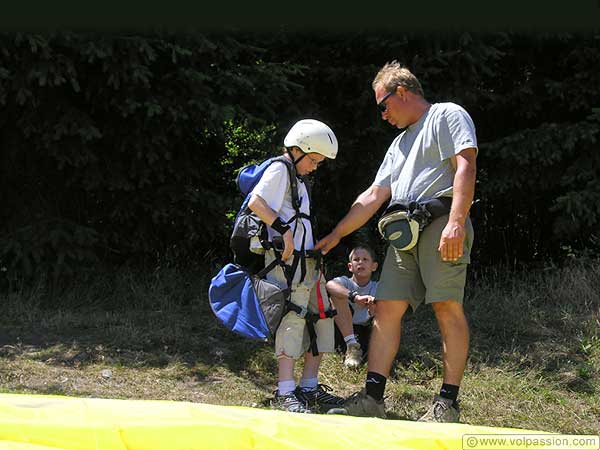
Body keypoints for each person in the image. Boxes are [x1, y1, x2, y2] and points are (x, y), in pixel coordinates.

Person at [316, 61, 477, 423]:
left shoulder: (446, 115)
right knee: (387, 308)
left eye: (383, 105)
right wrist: (337, 234)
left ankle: (447, 404)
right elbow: (374, 195)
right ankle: (373, 399)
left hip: (441, 224)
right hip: (405, 234)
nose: (382, 115)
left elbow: (465, 165)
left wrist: (456, 221)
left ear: (402, 93)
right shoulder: (399, 143)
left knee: (446, 306)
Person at [247, 119, 345, 414]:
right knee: (293, 318)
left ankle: (309, 388)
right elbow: (257, 202)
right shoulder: (280, 169)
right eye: (314, 160)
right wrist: (283, 231)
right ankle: (285, 392)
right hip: (285, 262)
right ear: (298, 150)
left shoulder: (299, 178)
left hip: (308, 262)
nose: (315, 166)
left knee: (321, 317)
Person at [326, 245, 378, 369]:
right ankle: (351, 345)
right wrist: (354, 297)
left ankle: (362, 352)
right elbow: (329, 285)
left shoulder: (378, 286)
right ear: (350, 266)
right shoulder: (344, 282)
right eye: (356, 259)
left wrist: (373, 310)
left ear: (374, 266)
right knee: (336, 296)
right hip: (342, 330)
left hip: (365, 329)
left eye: (365, 259)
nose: (360, 262)